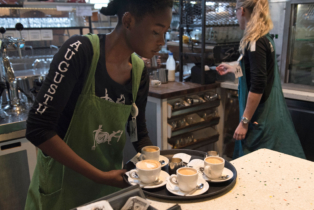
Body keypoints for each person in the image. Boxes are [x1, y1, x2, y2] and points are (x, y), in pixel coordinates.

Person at [24, 0, 173, 209]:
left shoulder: (138, 71)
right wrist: (101, 176)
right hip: (62, 189)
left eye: (165, 33)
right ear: (128, 21)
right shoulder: (79, 52)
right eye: (157, 32)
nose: (162, 42)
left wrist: (161, 165)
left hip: (107, 192)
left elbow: (137, 133)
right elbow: (38, 128)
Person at [216, 0, 305, 159]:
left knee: (258, 161)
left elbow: (258, 84)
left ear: (242, 10)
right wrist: (234, 67)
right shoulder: (264, 37)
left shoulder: (254, 41)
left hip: (260, 117)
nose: (235, 16)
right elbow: (256, 69)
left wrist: (244, 122)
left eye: (235, 11)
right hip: (267, 116)